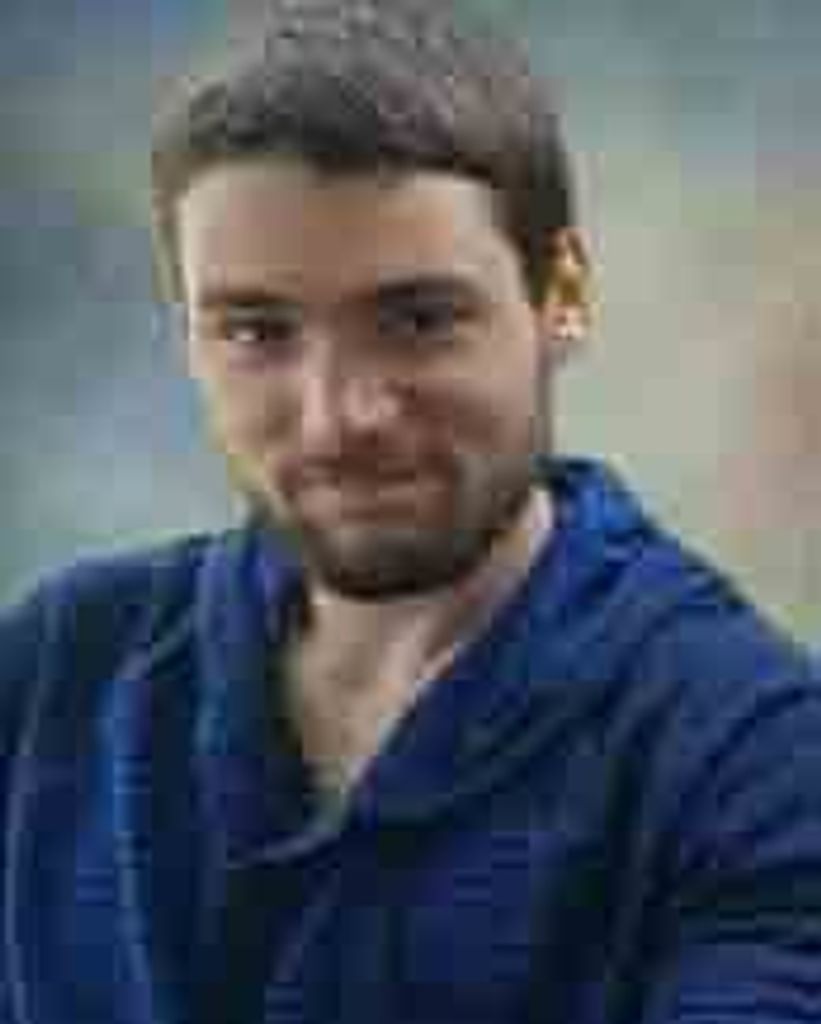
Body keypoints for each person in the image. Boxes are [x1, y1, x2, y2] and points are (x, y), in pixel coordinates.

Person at [2, 1, 819, 1021]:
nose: (338, 417)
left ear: (560, 293)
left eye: (420, 319)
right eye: (256, 331)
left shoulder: (754, 754)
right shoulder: (59, 670)